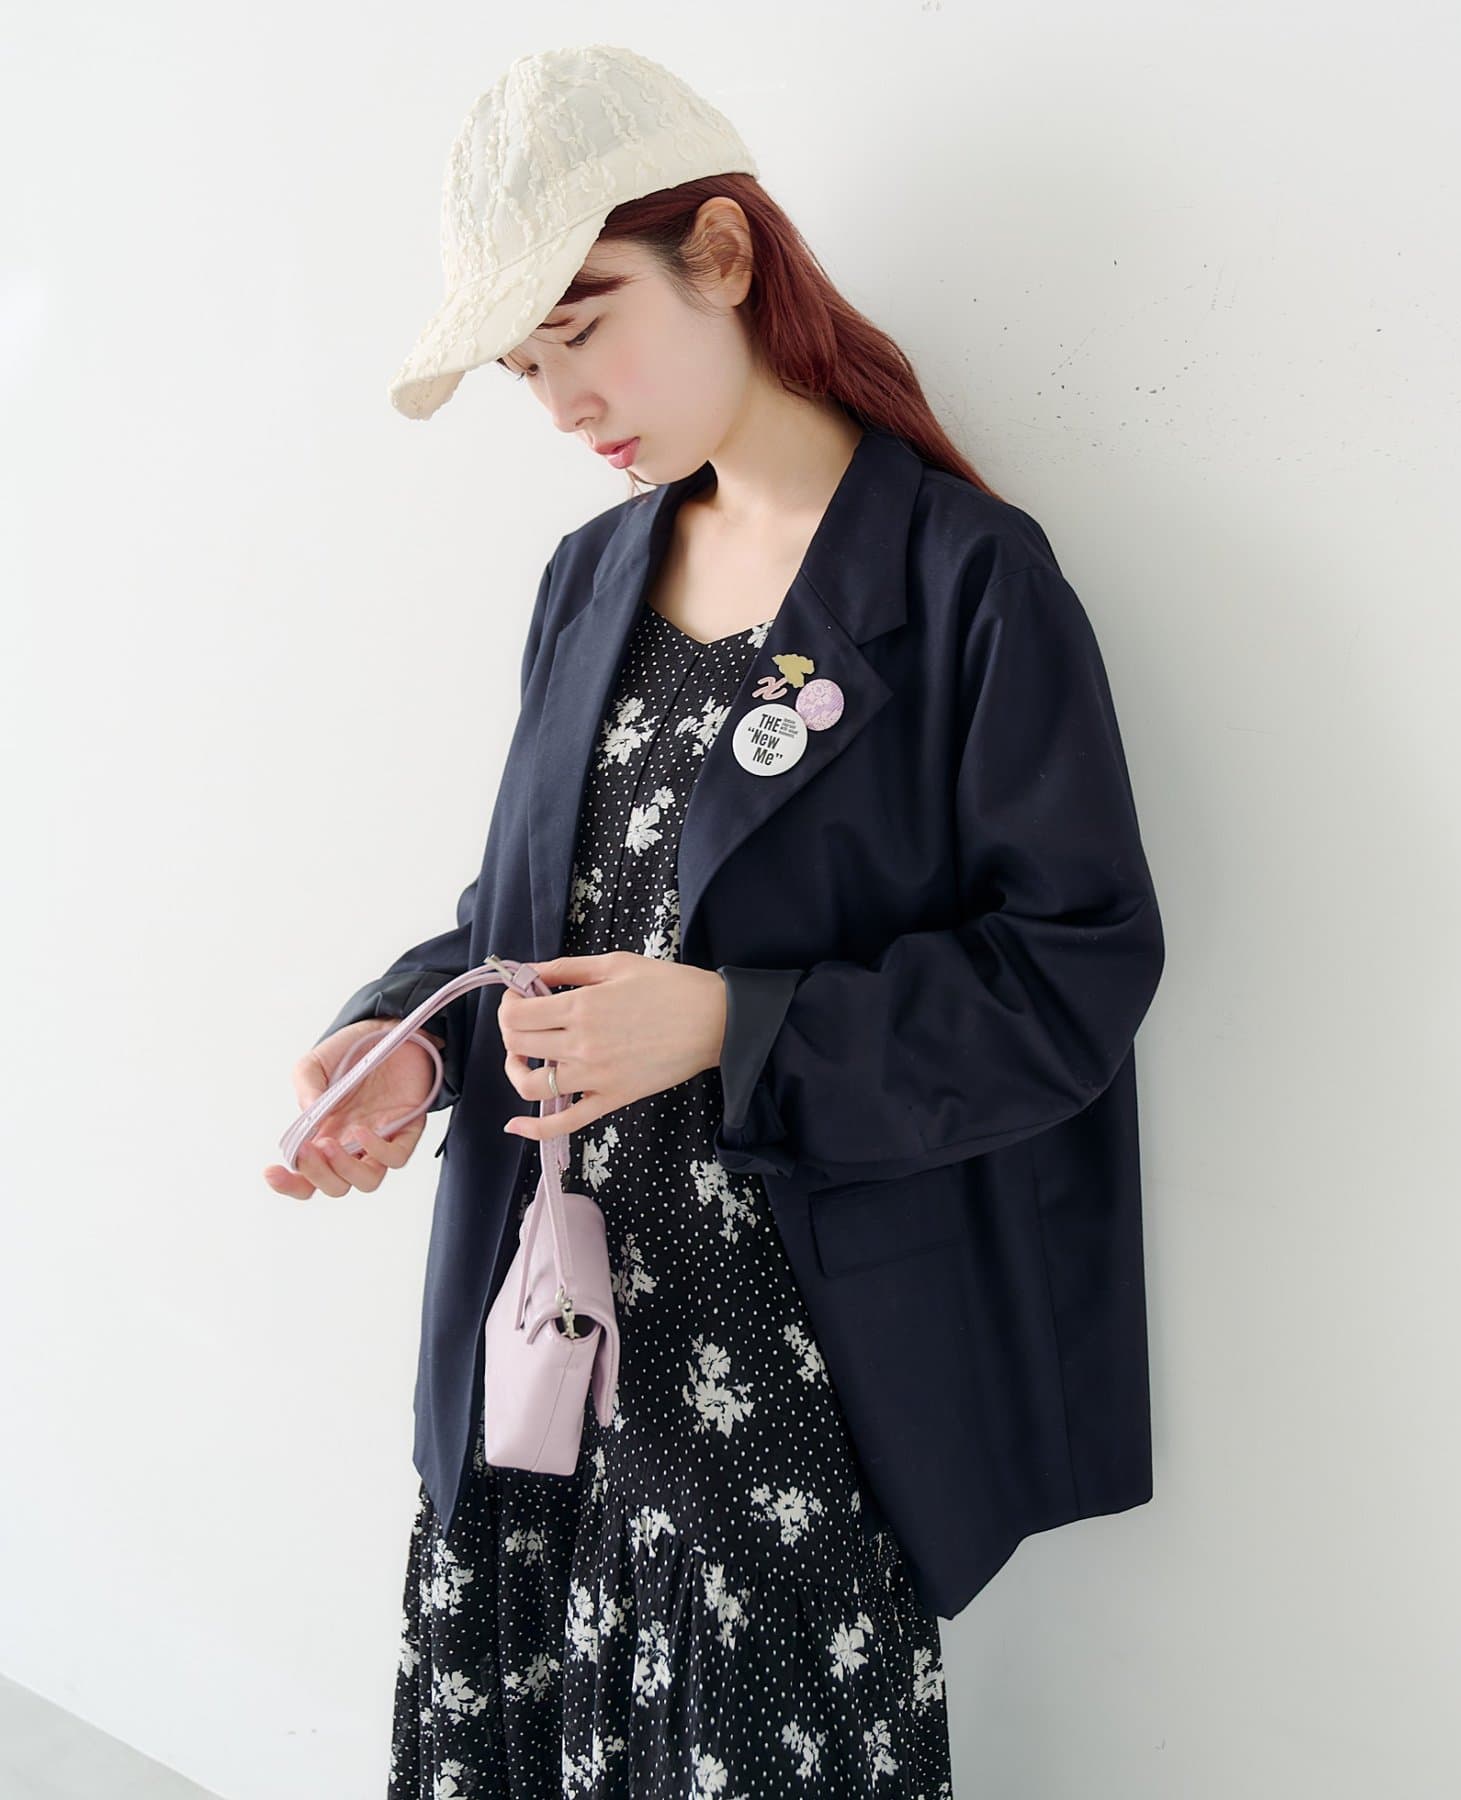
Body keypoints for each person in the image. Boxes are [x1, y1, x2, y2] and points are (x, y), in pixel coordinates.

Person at [265, 45, 1164, 1800]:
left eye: (582, 327)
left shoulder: (965, 583)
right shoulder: (590, 576)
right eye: (529, 367)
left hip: (788, 1407)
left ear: (727, 256)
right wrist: (402, 1048)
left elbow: (1076, 971)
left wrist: (730, 1022)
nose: (563, 404)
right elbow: (531, 915)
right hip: (549, 1362)